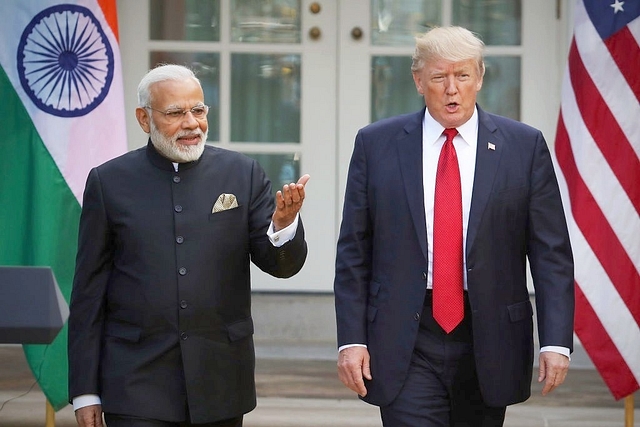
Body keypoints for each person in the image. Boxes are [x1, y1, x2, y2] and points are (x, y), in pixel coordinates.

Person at [334, 26, 574, 426]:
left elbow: (551, 254)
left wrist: (556, 341)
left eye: (462, 76)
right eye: (438, 77)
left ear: (479, 77)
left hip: (490, 335)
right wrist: (351, 340)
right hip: (405, 337)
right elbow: (354, 251)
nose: (452, 90)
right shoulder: (376, 145)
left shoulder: (524, 146)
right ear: (418, 81)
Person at [68, 64, 310, 427]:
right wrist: (85, 390)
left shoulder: (242, 173)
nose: (192, 123)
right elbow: (89, 292)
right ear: (144, 119)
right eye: (175, 113)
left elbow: (281, 265)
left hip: (220, 378)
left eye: (198, 110)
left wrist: (283, 225)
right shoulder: (108, 182)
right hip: (135, 378)